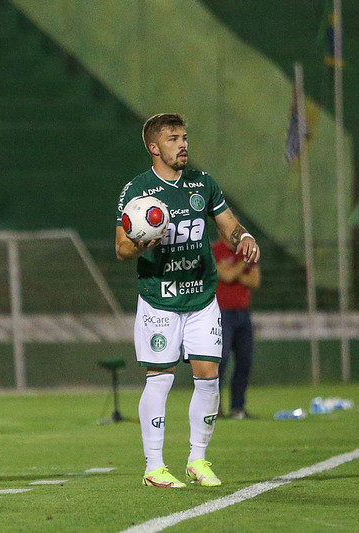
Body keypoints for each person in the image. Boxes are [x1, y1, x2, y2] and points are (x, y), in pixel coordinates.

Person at [115, 113, 260, 488]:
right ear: (154, 147)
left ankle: (197, 459)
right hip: (159, 299)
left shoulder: (203, 183)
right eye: (173, 139)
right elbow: (121, 249)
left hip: (201, 297)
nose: (183, 144)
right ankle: (154, 467)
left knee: (209, 377)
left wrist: (244, 237)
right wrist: (140, 244)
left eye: (184, 137)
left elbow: (228, 225)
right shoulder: (137, 191)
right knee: (160, 379)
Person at [213, 236, 261, 420]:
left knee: (244, 361)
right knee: (221, 361)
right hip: (221, 313)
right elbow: (225, 275)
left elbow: (254, 281)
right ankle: (214, 407)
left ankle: (237, 407)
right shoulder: (215, 250)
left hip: (243, 313)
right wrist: (243, 265)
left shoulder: (245, 251)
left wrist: (233, 268)